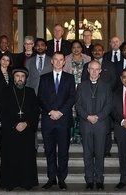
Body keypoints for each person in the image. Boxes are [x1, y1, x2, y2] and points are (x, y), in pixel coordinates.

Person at [38, 51, 76, 190]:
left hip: (63, 120)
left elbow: (72, 97)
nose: (58, 62)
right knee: (49, 151)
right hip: (48, 120)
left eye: (61, 60)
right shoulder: (44, 78)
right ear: (52, 61)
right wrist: (50, 111)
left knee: (63, 152)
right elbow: (40, 98)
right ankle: (51, 178)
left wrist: (60, 112)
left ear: (64, 62)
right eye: (56, 59)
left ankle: (61, 179)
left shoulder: (69, 78)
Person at [0, 66, 40, 191]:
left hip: (26, 131)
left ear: (26, 78)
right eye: (17, 76)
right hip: (10, 130)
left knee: (26, 158)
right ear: (13, 77)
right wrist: (15, 124)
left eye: (22, 76)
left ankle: (27, 182)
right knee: (10, 157)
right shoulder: (6, 91)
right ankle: (10, 183)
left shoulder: (31, 92)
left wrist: (26, 123)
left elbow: (35, 112)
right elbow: (2, 112)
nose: (20, 79)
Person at [75, 60, 112, 191]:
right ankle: (89, 180)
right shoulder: (81, 86)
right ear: (88, 70)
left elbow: (109, 105)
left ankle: (100, 179)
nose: (94, 71)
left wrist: (98, 116)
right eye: (92, 69)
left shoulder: (106, 86)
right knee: (87, 154)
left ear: (100, 71)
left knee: (100, 153)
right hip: (86, 124)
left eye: (97, 69)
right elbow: (78, 105)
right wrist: (87, 116)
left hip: (101, 124)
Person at [81, 43, 116, 157]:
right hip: (89, 102)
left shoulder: (110, 65)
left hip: (104, 99)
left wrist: (105, 91)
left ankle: (106, 149)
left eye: (99, 50)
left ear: (103, 51)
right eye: (95, 50)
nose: (97, 52)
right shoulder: (87, 65)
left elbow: (114, 80)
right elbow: (83, 82)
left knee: (106, 128)